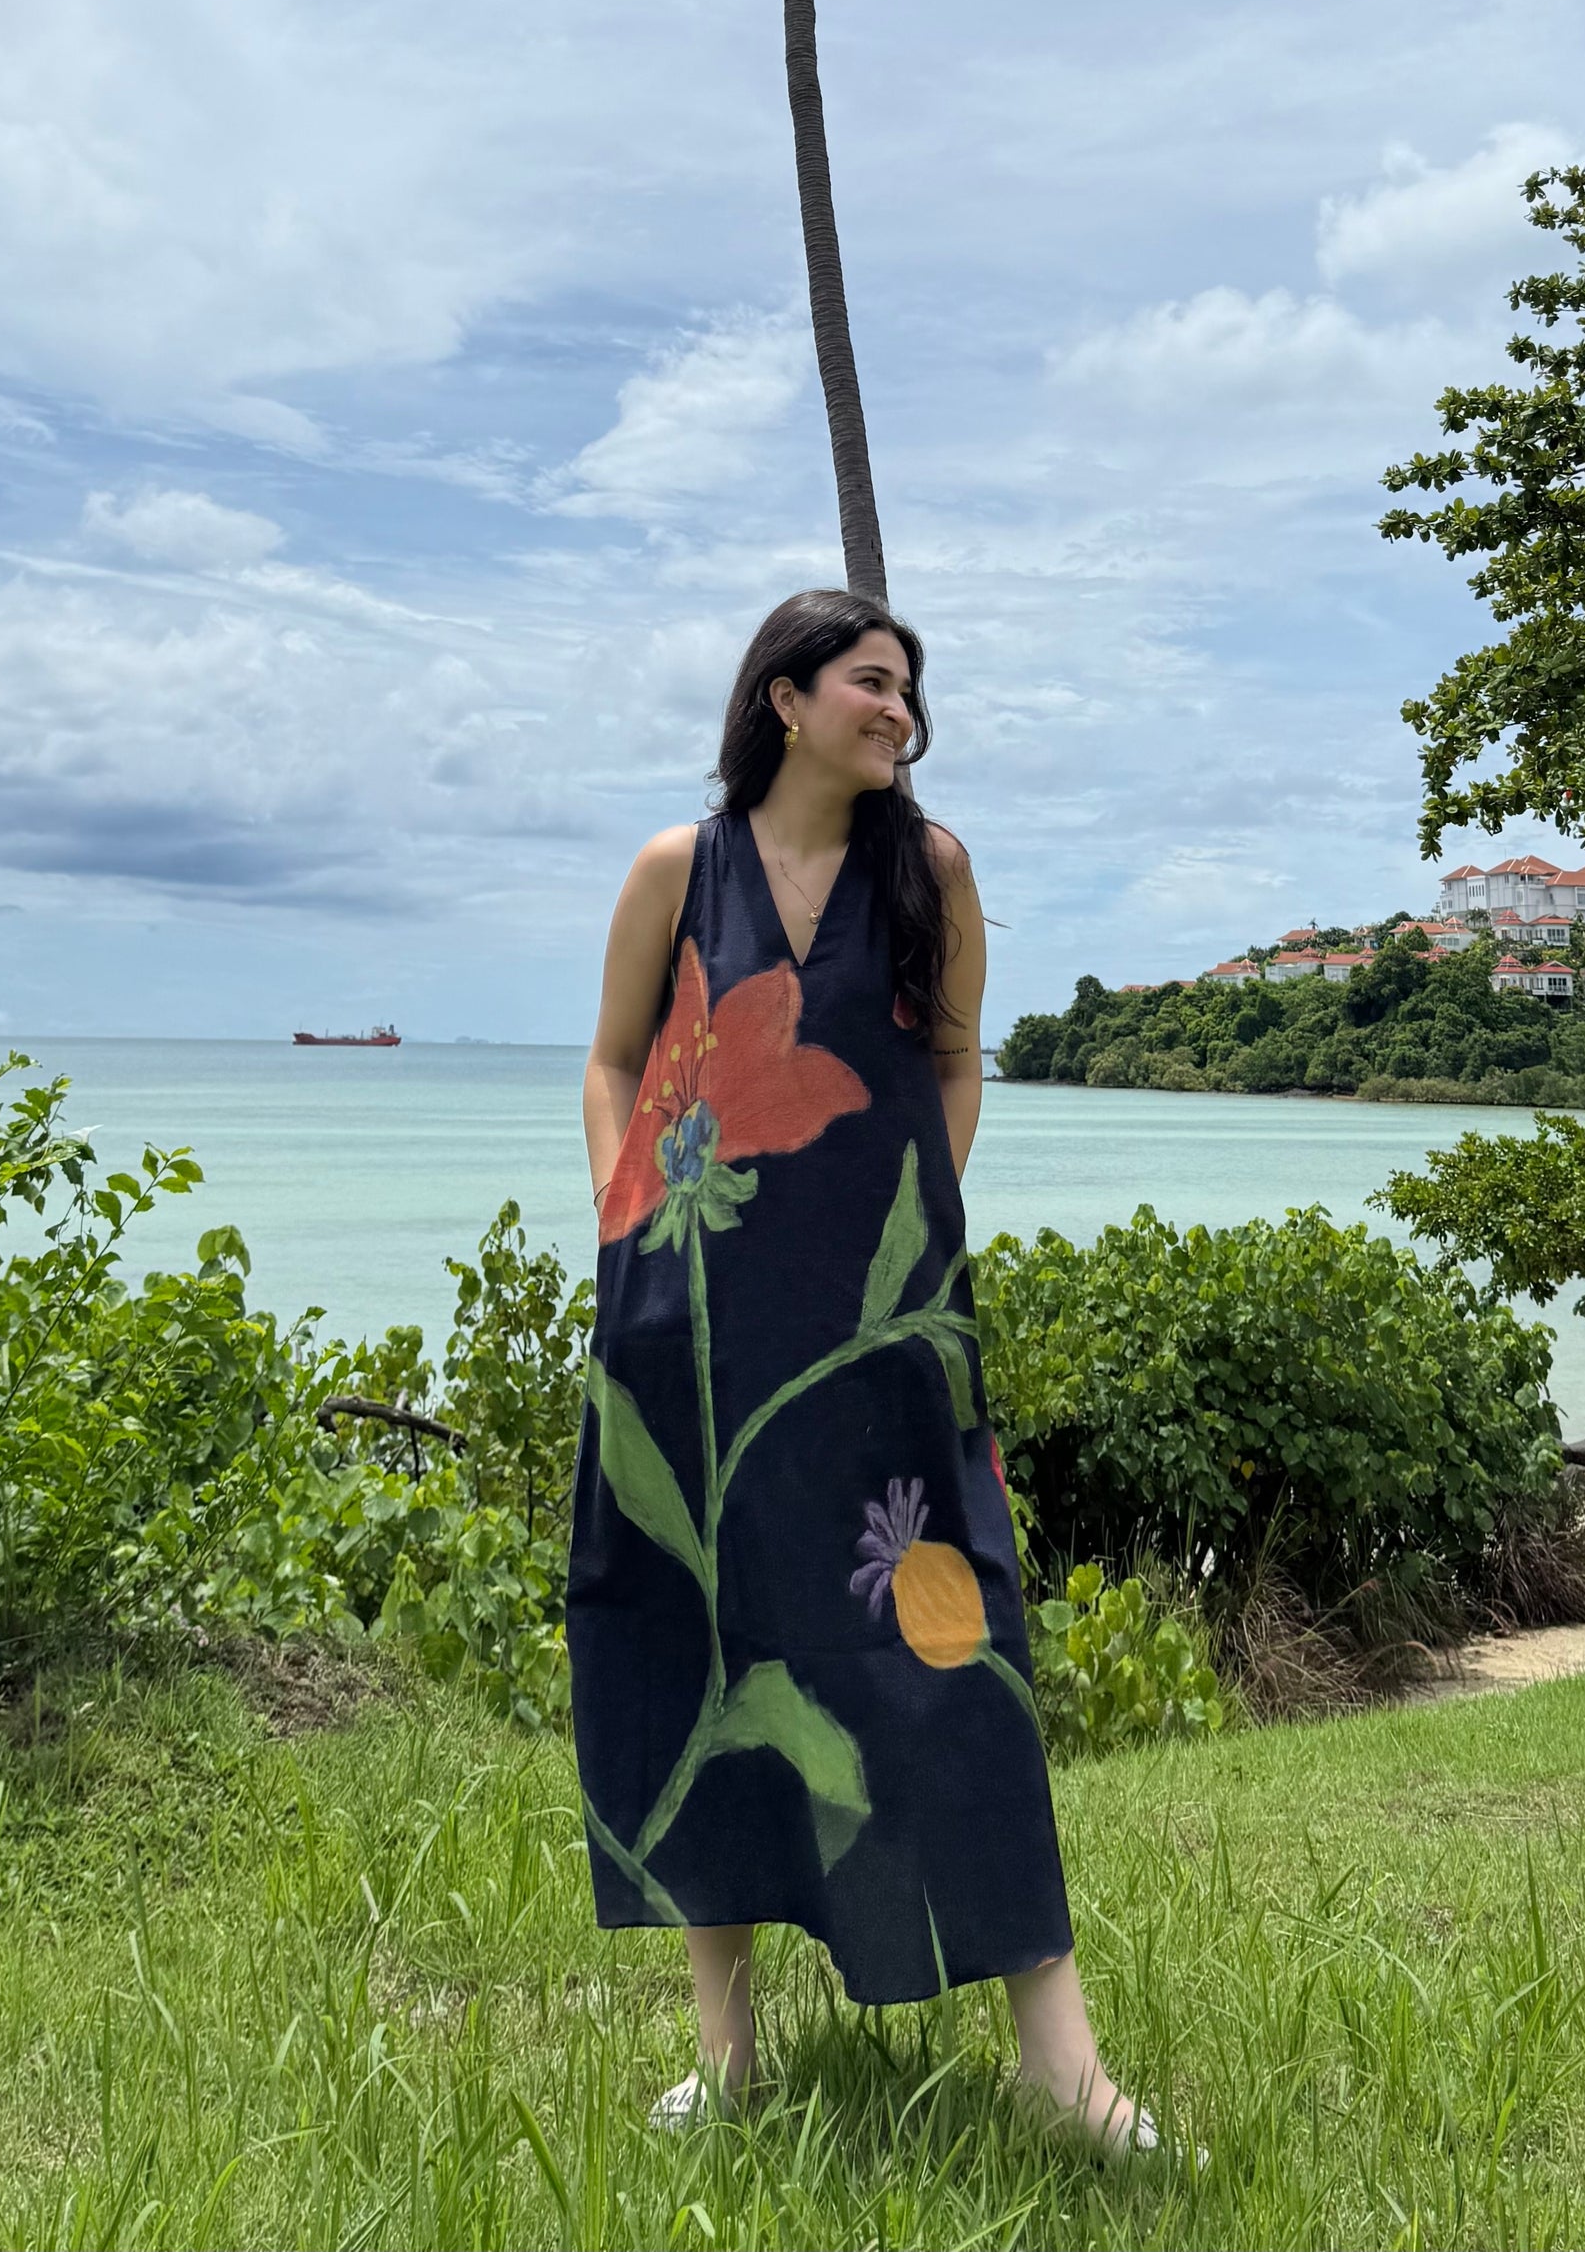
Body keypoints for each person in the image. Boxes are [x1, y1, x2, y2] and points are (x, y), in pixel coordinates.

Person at [572, 587, 1150, 2151]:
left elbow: (955, 1058)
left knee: (958, 1659)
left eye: (908, 689)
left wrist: (910, 1237)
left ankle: (1065, 2074)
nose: (899, 710)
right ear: (785, 697)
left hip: (886, 1328)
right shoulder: (672, 871)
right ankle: (732, 2056)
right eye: (871, 682)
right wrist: (635, 1223)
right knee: (706, 1640)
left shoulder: (932, 866)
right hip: (687, 1329)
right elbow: (617, 1056)